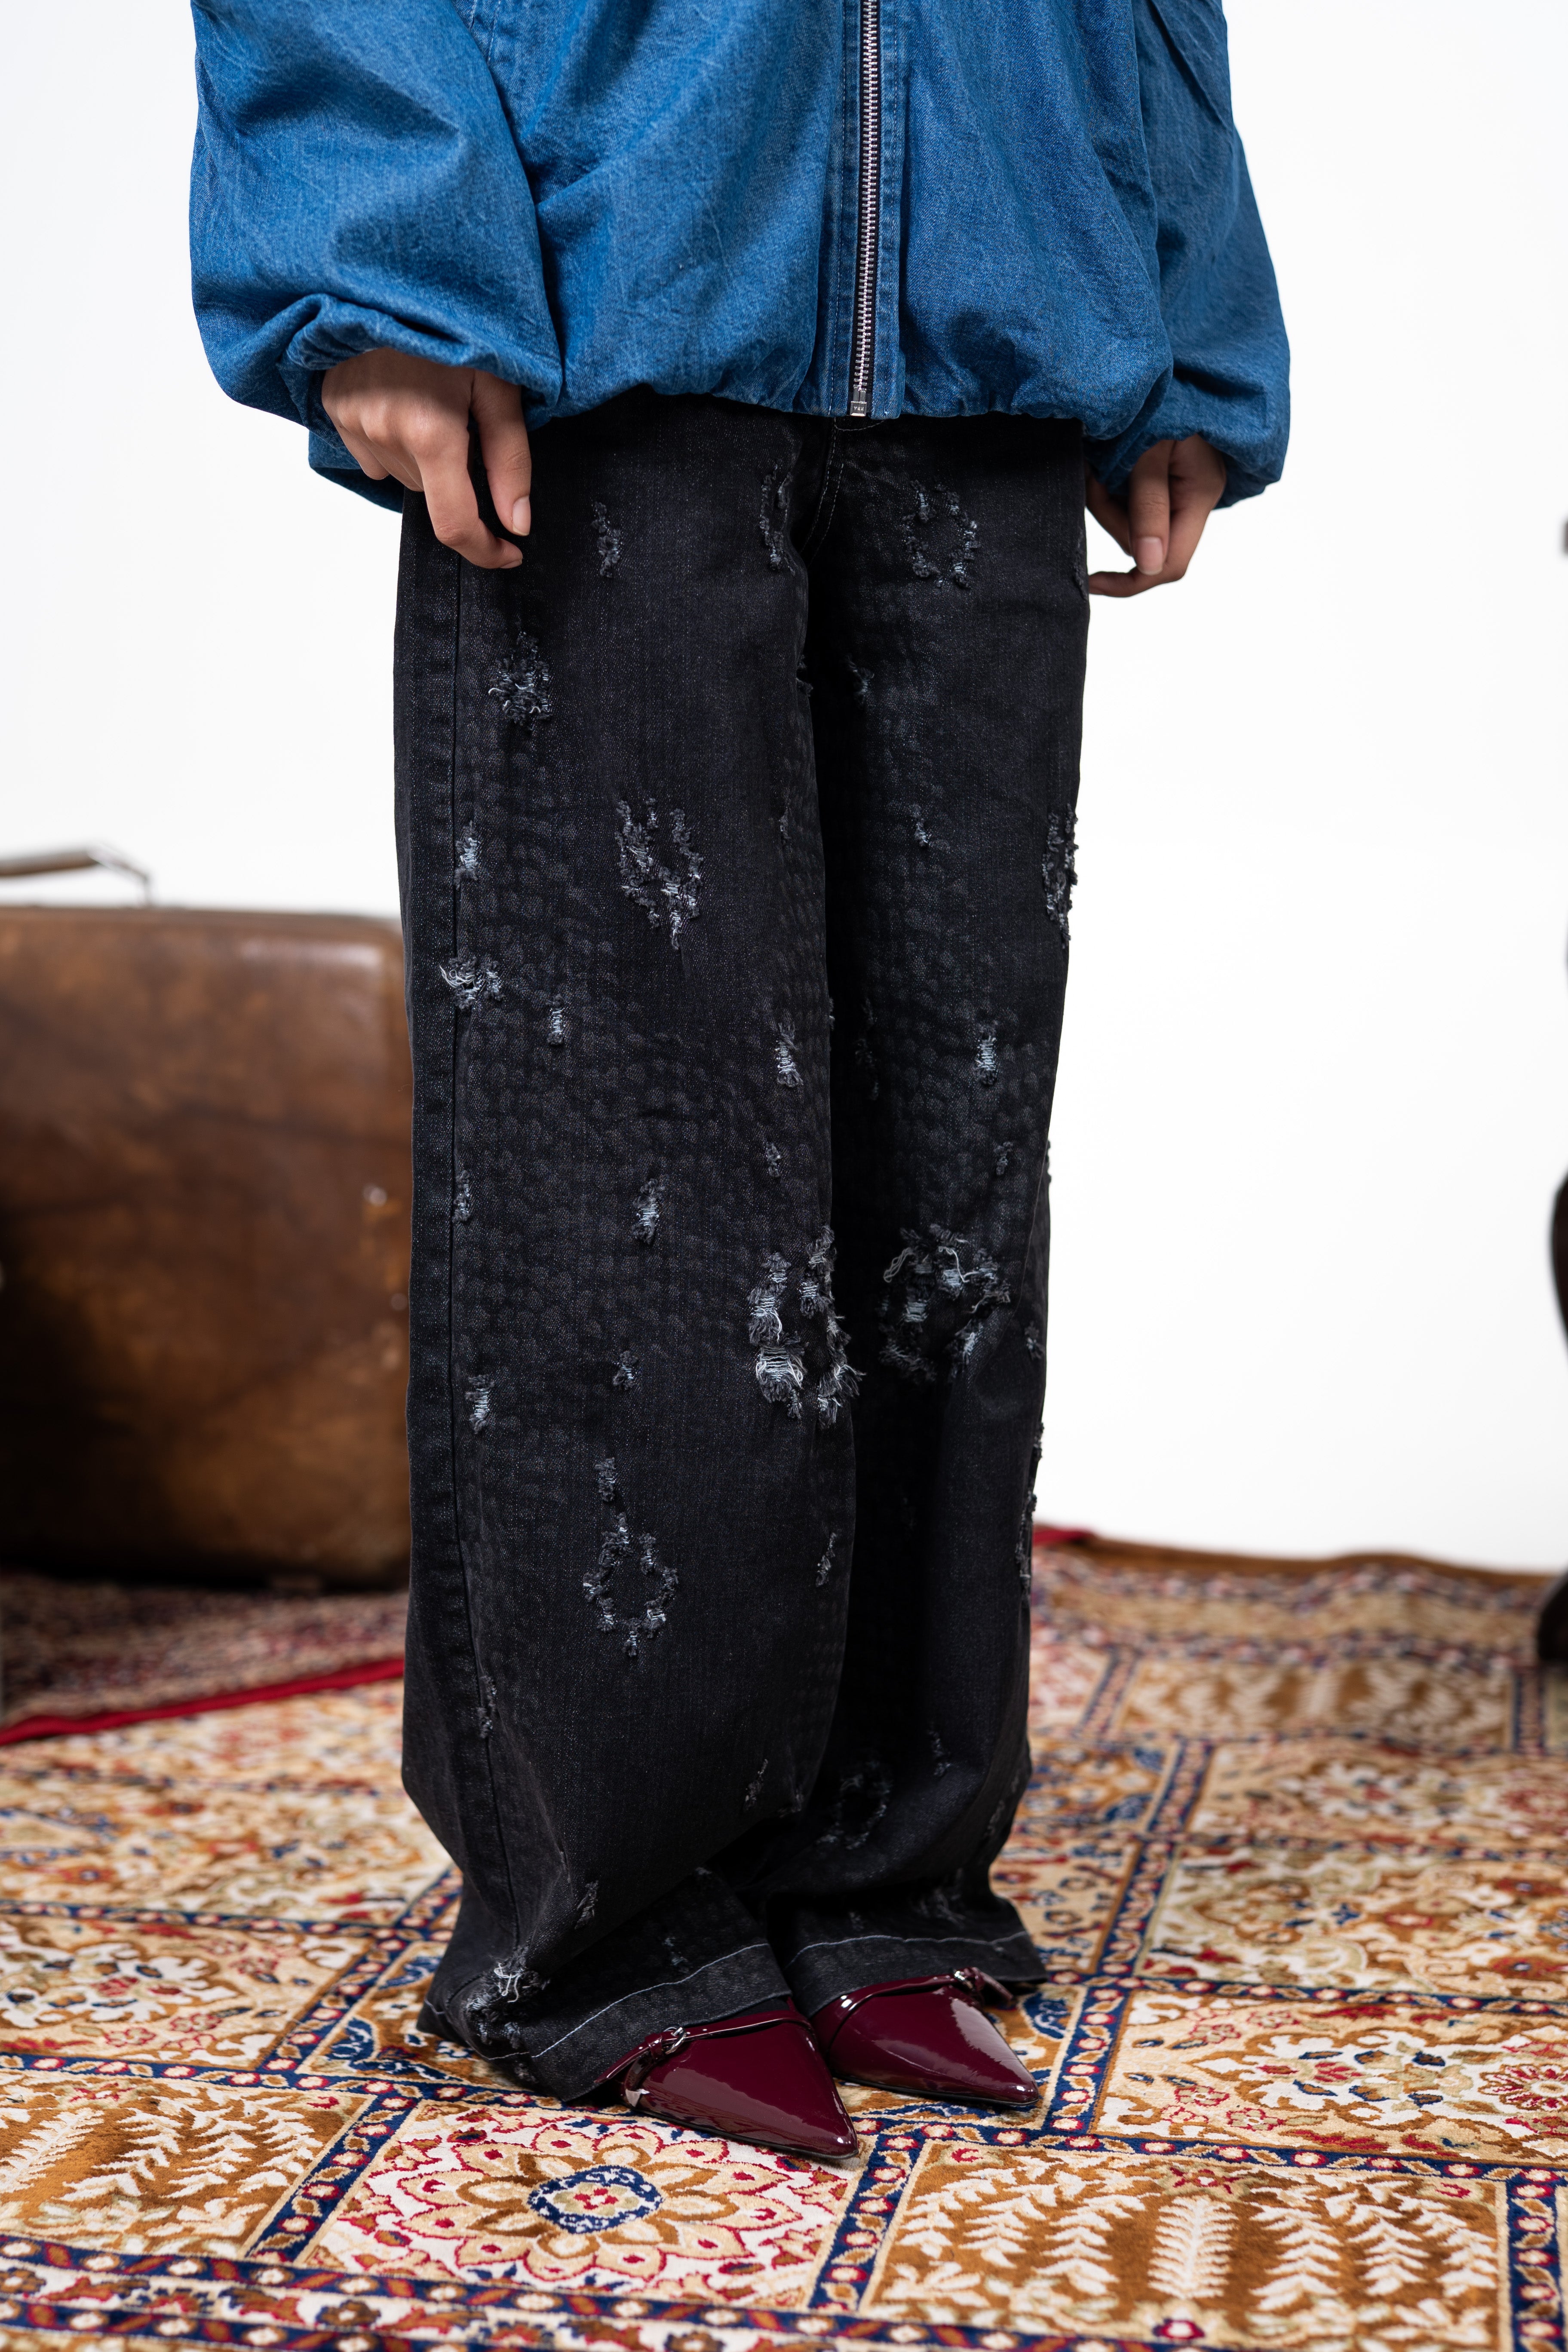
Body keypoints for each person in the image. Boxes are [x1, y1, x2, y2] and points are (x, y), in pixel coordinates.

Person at [190, 0, 1287, 2158]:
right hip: (608, 269)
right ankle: (608, 1908)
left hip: (1008, 269)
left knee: (948, 1162)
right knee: (636, 1144)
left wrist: (1179, 302)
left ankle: (881, 1864)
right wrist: (375, 240)